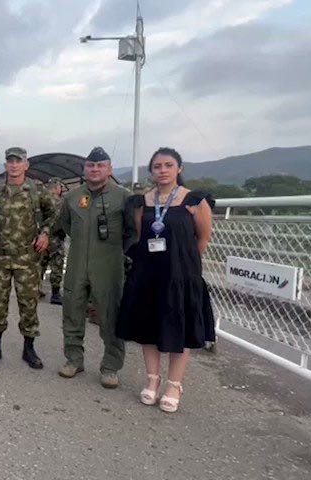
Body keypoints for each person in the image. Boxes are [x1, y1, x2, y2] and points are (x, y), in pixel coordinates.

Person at [117, 147, 215, 413]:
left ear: (179, 169)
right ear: (151, 171)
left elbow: (203, 238)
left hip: (180, 275)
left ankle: (174, 385)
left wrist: (186, 266)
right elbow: (141, 234)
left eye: (168, 165)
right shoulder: (141, 202)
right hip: (148, 273)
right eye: (157, 166)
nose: (162, 170)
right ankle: (152, 379)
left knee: (178, 328)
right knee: (149, 327)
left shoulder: (194, 200)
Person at [55, 146, 135, 388]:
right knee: (72, 310)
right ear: (85, 169)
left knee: (110, 314)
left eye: (100, 165)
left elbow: (132, 232)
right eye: (90, 165)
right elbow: (66, 227)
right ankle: (74, 359)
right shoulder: (71, 198)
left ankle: (110, 366)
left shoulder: (123, 197)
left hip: (109, 265)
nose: (95, 169)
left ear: (109, 169)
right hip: (78, 262)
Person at [0, 147, 57, 369]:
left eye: (18, 161)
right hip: (1, 258)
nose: (14, 165)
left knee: (28, 304)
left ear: (26, 164)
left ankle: (29, 349)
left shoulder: (36, 189)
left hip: (27, 259)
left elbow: (53, 214)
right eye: (10, 161)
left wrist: (45, 233)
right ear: (5, 165)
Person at [39, 177, 66, 305]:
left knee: (40, 264)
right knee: (56, 265)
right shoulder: (61, 202)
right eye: (60, 187)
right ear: (56, 187)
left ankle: (36, 289)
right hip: (56, 238)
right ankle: (55, 294)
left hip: (41, 237)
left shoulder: (41, 201)